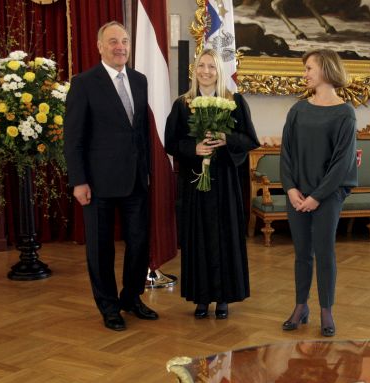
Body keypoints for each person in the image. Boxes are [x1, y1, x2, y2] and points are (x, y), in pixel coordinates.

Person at [64, 21, 158, 332]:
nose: (120, 47)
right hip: (97, 182)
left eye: (125, 41)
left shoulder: (140, 80)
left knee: (139, 243)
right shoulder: (84, 83)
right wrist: (78, 180)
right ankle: (108, 306)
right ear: (100, 46)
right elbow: (73, 137)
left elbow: (140, 132)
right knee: (100, 248)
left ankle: (131, 297)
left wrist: (147, 171)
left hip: (136, 180)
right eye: (113, 41)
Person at [164, 48, 259, 319]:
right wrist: (194, 149)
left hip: (225, 183)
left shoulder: (234, 101)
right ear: (194, 70)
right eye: (201, 66)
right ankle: (202, 298)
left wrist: (226, 139)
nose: (206, 71)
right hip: (195, 184)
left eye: (212, 67)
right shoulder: (183, 104)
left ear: (219, 71)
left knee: (226, 237)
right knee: (198, 238)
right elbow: (171, 143)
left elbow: (250, 139)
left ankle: (225, 298)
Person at [279, 49, 357, 337]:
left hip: (328, 196)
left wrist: (317, 197)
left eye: (309, 68)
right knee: (302, 253)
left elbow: (342, 163)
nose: (305, 74)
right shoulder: (298, 110)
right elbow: (285, 153)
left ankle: (326, 310)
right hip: (297, 195)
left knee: (324, 253)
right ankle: (301, 307)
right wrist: (290, 189)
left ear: (325, 69)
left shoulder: (345, 113)